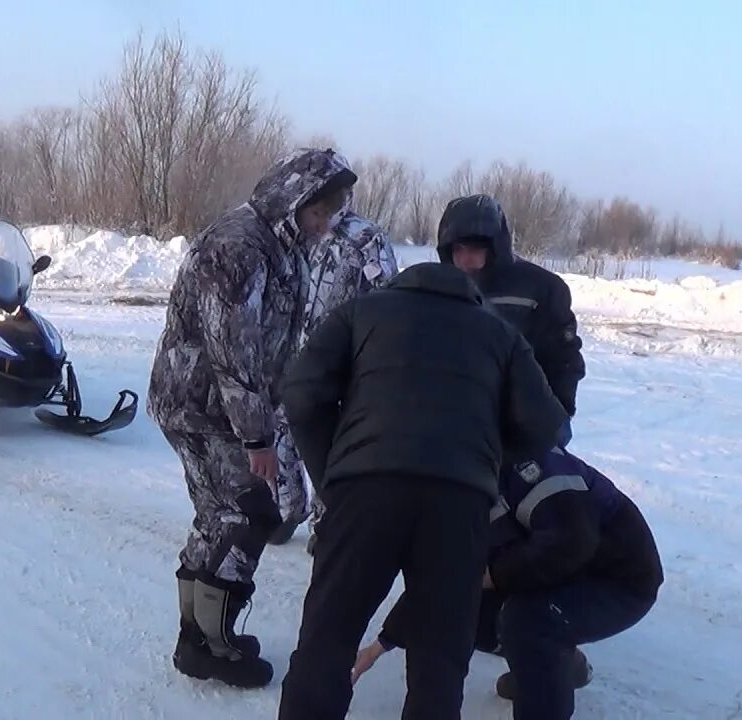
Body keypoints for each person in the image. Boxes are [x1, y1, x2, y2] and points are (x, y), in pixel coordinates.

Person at [274, 258, 569, 719]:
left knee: (327, 639)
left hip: (364, 494)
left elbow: (300, 394)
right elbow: (548, 425)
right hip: (459, 506)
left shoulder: (360, 312)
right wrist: (487, 460)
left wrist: (334, 472)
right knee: (439, 659)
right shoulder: (501, 334)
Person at [147, 148, 359, 689]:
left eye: (332, 215)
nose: (323, 226)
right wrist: (257, 437)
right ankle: (211, 645)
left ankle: (198, 636)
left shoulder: (277, 243)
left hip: (215, 405)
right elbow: (233, 352)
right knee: (250, 514)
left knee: (220, 516)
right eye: (318, 214)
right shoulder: (239, 246)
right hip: (204, 406)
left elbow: (273, 338)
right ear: (295, 201)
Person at [351, 447, 663, 720]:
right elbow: (444, 583)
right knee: (462, 614)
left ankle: (545, 677)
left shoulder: (529, 463)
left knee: (528, 621)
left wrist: (495, 575)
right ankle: (554, 668)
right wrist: (381, 644)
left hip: (619, 577)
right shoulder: (450, 493)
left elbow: (573, 541)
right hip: (555, 572)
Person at [267, 208, 399, 549]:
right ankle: (285, 509)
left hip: (341, 358)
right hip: (289, 350)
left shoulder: (366, 237)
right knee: (280, 427)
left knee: (331, 438)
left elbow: (388, 297)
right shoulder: (292, 232)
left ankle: (327, 521)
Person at [438, 194, 584, 445]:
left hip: (524, 411)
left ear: (495, 247)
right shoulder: (442, 286)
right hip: (462, 413)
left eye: (474, 249)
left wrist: (558, 413)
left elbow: (564, 358)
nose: (464, 260)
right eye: (457, 250)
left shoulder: (541, 288)